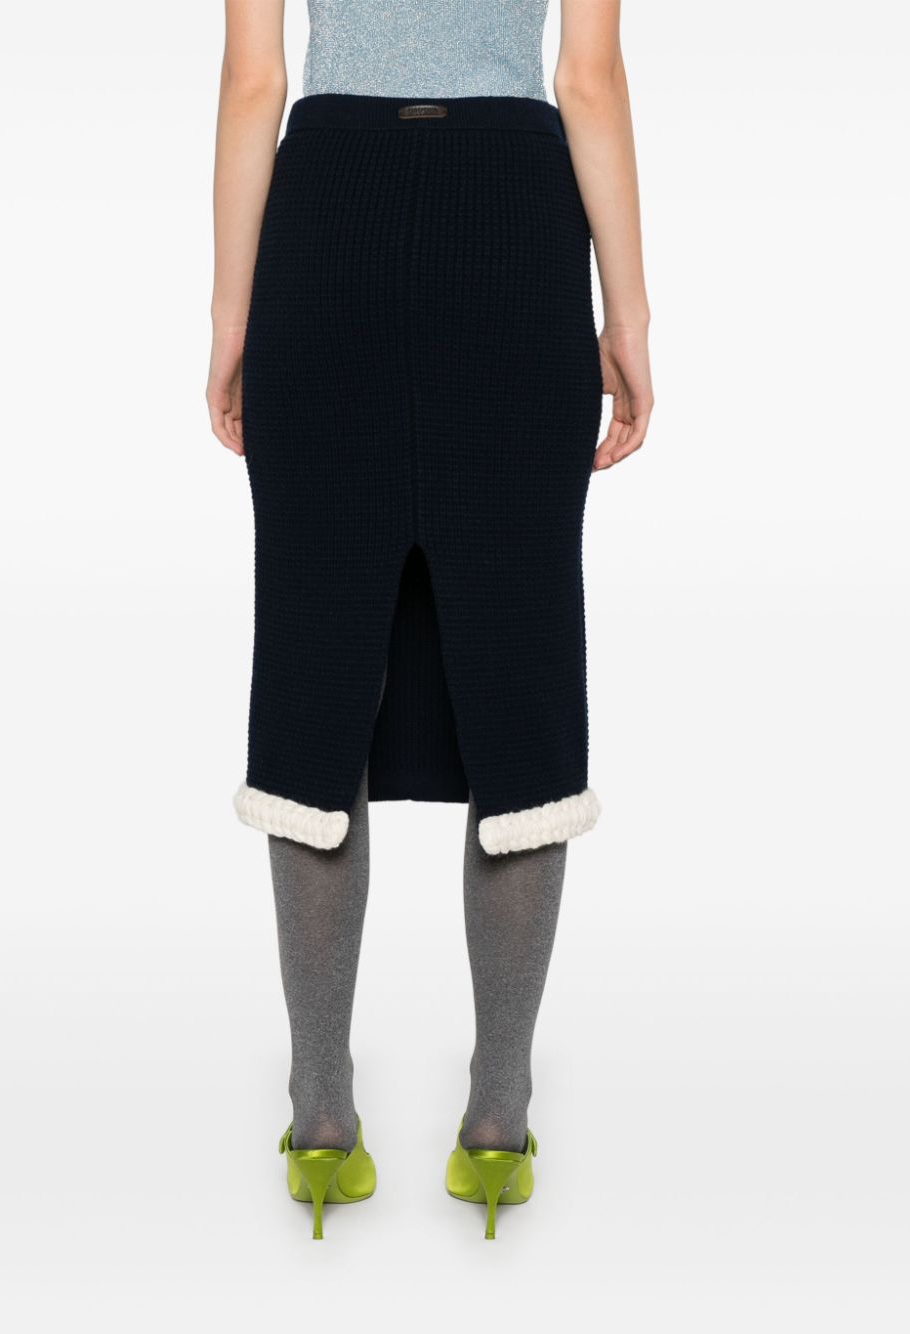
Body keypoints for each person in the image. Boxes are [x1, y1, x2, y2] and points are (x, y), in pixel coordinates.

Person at [207, 0, 653, 1240]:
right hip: (512, 222)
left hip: (327, 217)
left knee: (315, 665)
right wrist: (626, 316)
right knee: (520, 667)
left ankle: (320, 1116)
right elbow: (589, 80)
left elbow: (253, 85)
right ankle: (498, 1120)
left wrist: (232, 318)